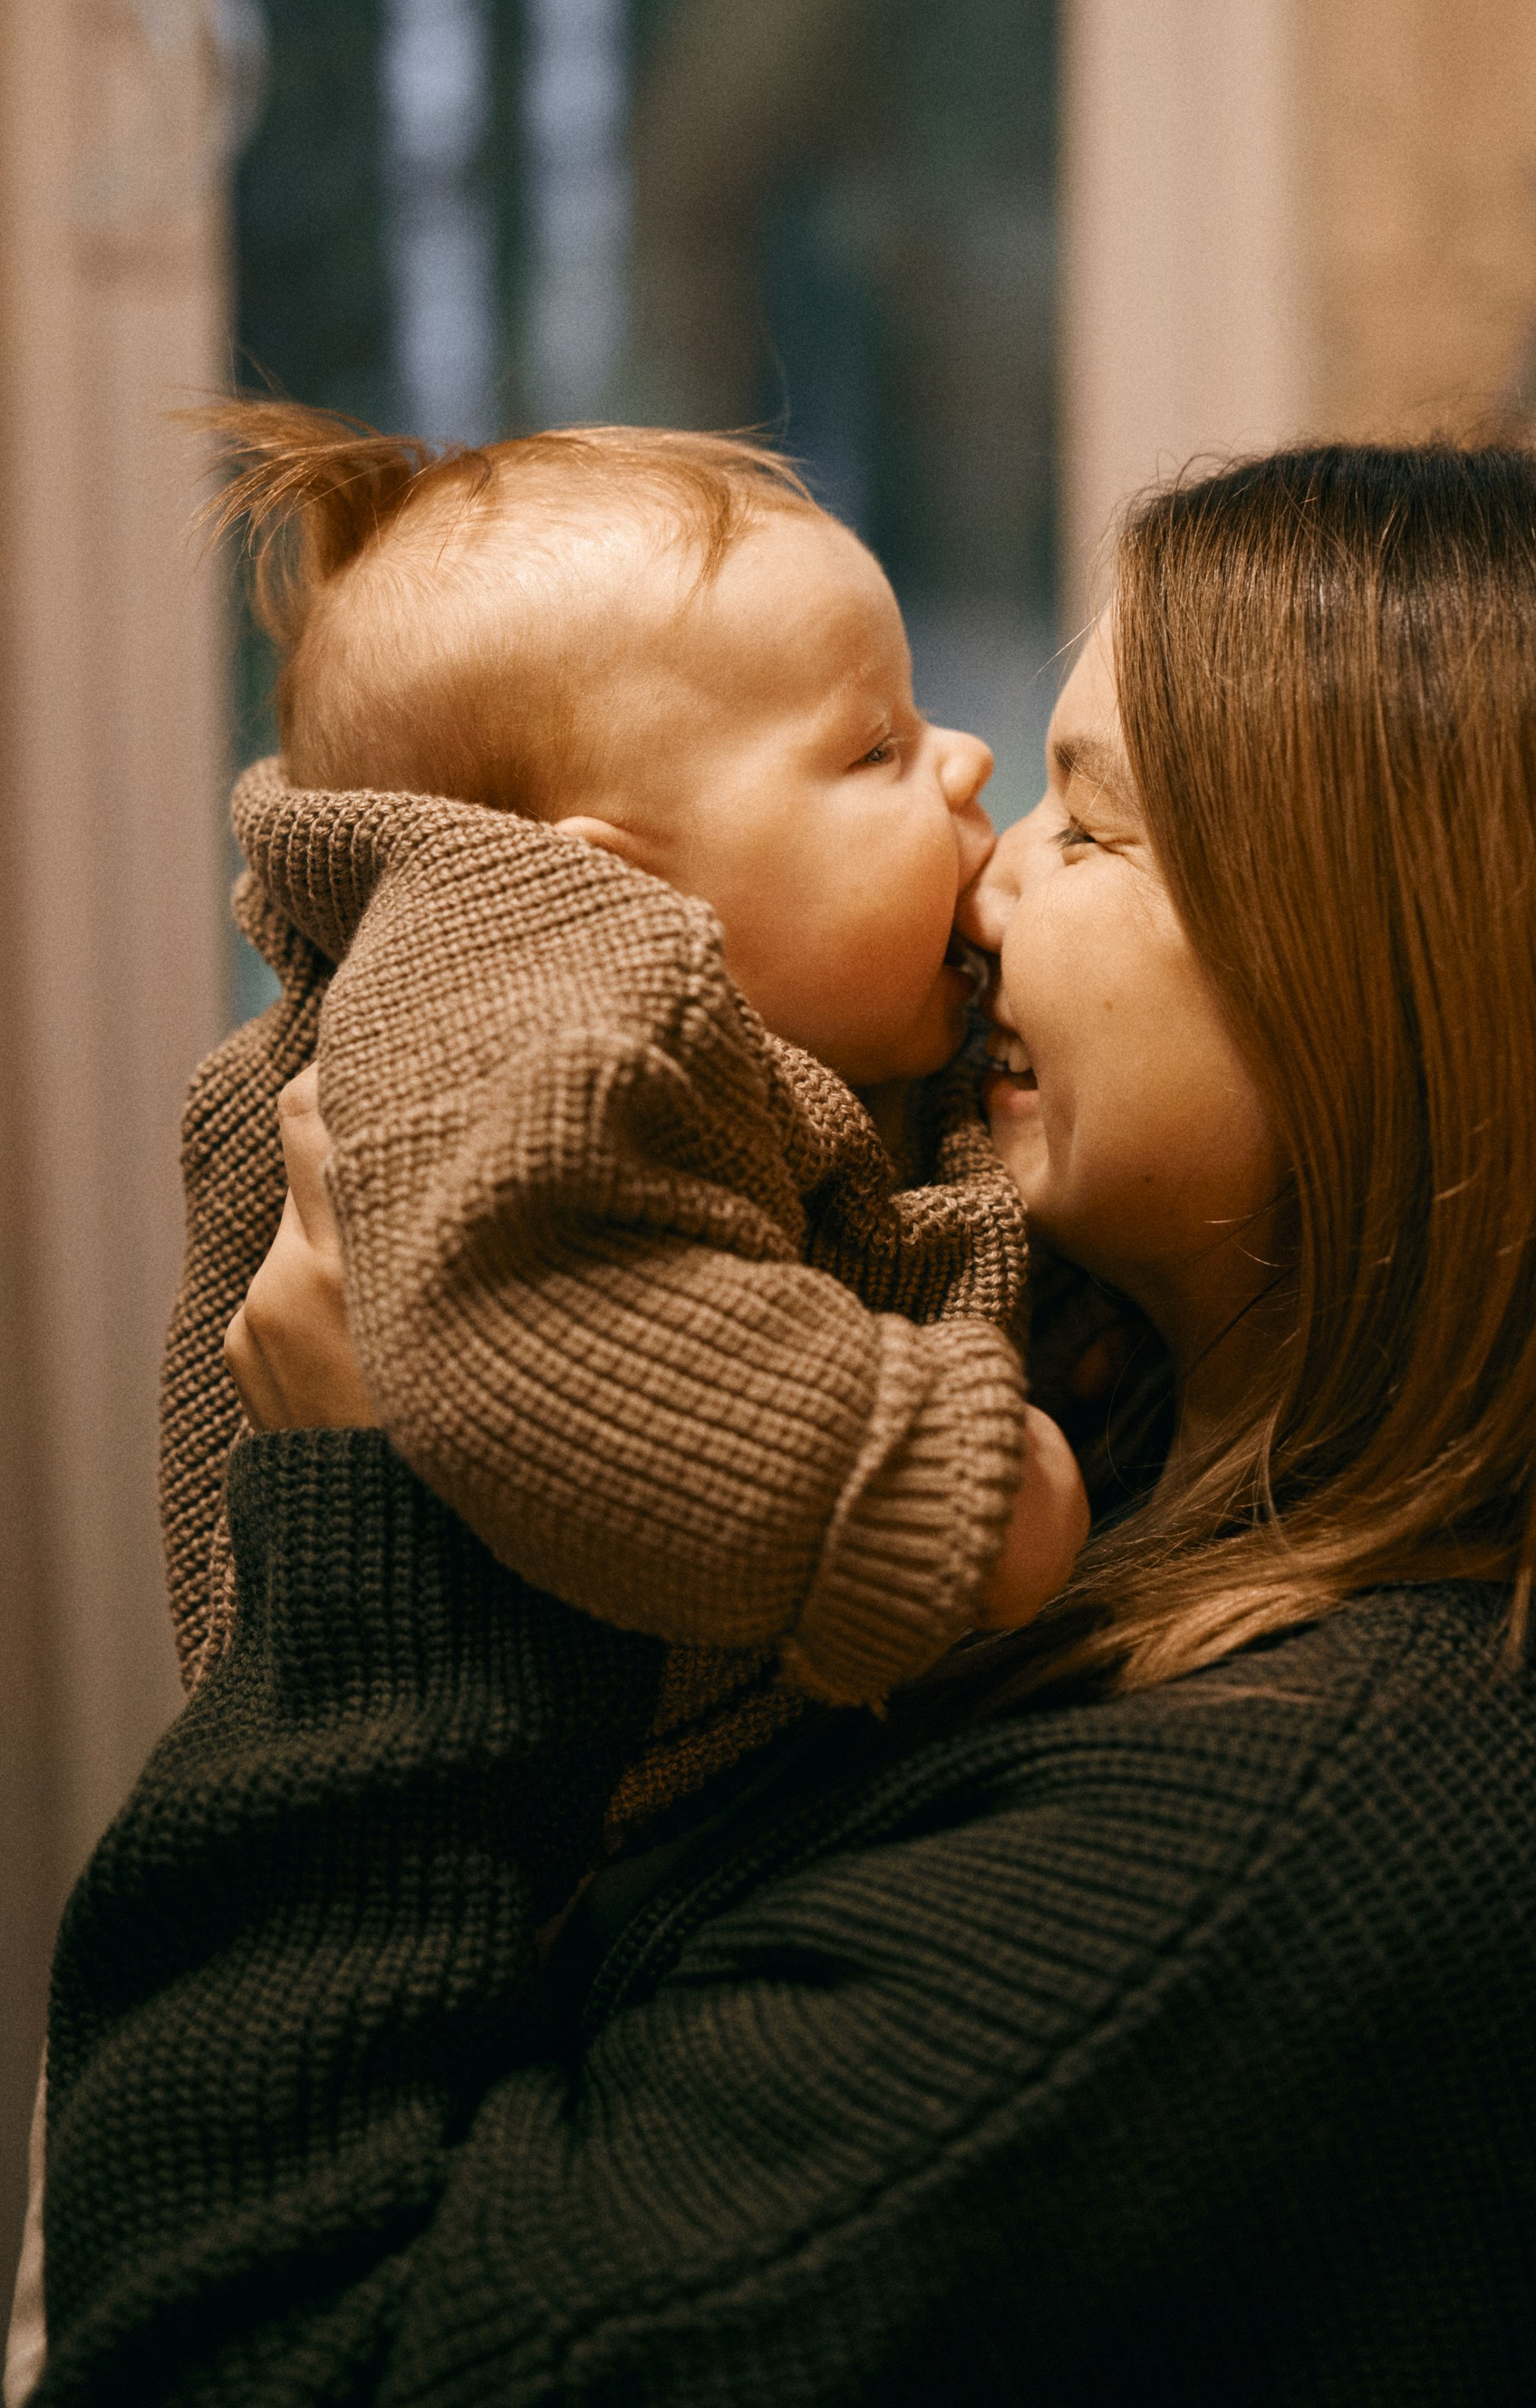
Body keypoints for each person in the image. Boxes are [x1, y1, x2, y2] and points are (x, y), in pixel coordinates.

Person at [31, 444, 1536, 2408]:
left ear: (1411, 992)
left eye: (1097, 828)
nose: (993, 860)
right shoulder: (1177, 1478)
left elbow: (227, 2362)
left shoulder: (1283, 1851)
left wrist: (379, 1527)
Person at [164, 403, 1089, 1810]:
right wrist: (907, 1479)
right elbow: (525, 1300)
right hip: (501, 1830)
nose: (964, 755)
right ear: (614, 887)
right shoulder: (507, 979)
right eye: (873, 748)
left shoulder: (732, 1022)